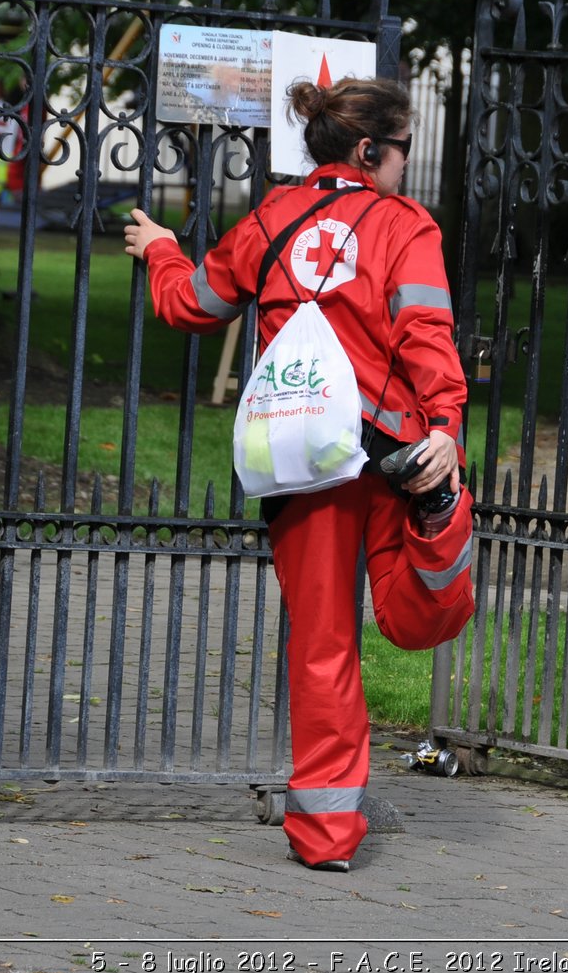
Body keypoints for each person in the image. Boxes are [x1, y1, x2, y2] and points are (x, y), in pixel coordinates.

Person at [123, 77, 476, 871]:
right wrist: (447, 426)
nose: (406, 167)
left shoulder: (270, 220)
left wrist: (160, 249)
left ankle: (324, 834)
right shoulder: (404, 226)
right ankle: (436, 522)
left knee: (323, 646)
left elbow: (190, 303)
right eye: (404, 152)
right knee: (424, 605)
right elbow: (426, 330)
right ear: (367, 151)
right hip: (390, 453)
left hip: (300, 461)